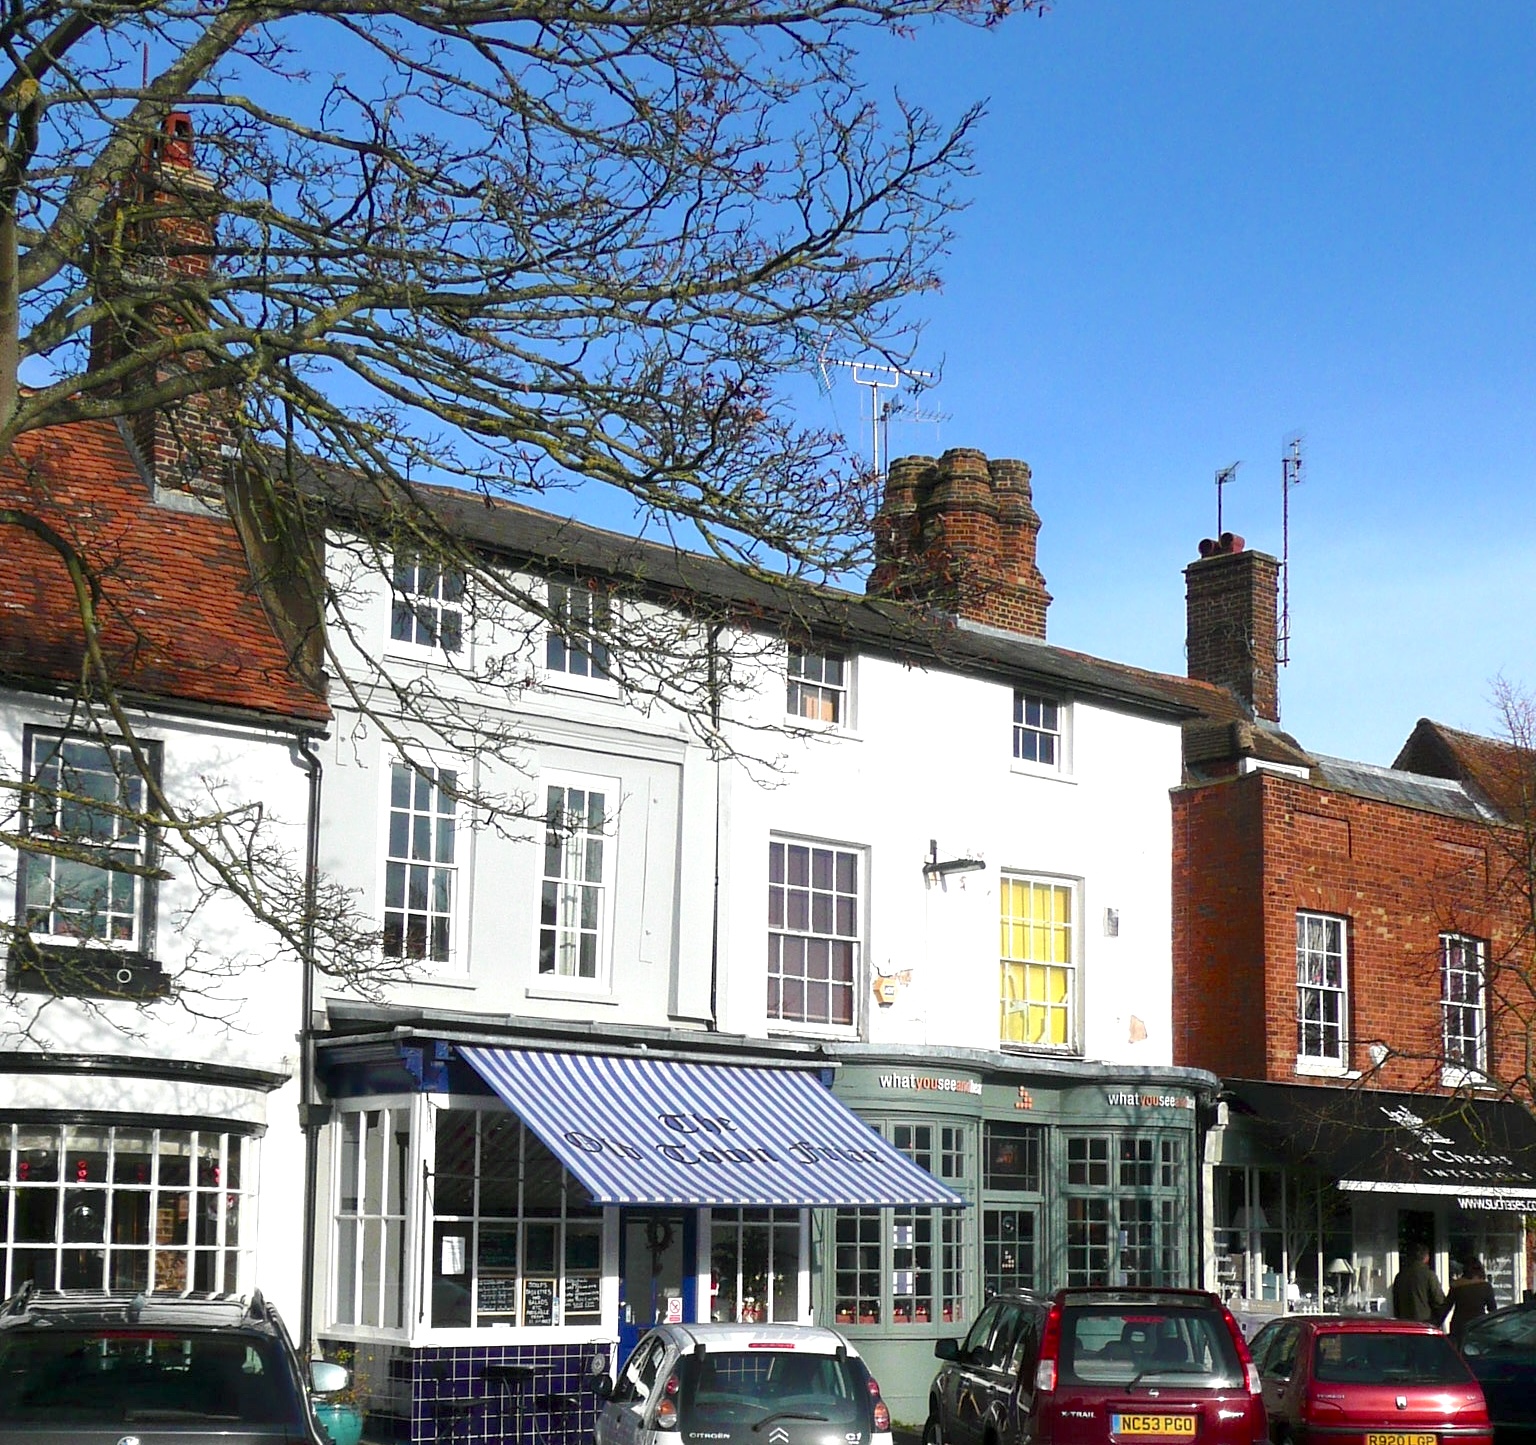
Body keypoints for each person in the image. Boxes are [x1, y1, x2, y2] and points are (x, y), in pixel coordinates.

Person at [1442, 1256, 1497, 1346]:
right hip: (1478, 1325)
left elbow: (1446, 1308)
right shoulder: (1485, 1286)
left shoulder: (1457, 1286)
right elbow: (1493, 1309)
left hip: (1459, 1326)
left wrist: (1435, 1324)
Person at [1391, 1242, 1447, 1323]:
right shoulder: (1429, 1275)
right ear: (1426, 1257)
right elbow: (1439, 1301)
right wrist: (1438, 1320)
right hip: (1424, 1323)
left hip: (1404, 1323)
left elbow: (1396, 1304)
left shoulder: (1400, 1276)